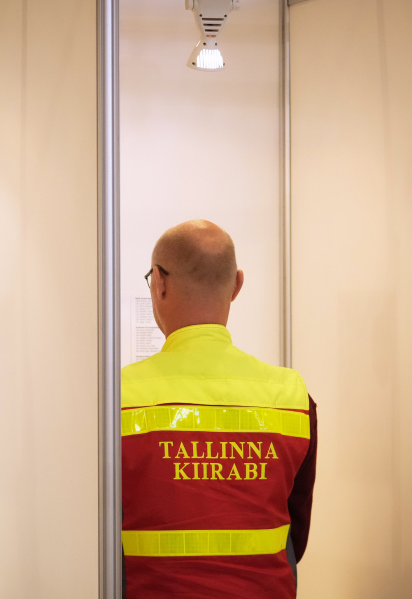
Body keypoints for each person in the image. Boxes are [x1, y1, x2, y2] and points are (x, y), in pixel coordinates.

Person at [120, 220, 317, 598]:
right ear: (237, 285)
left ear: (159, 283)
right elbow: (296, 534)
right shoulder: (292, 395)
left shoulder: (119, 396)